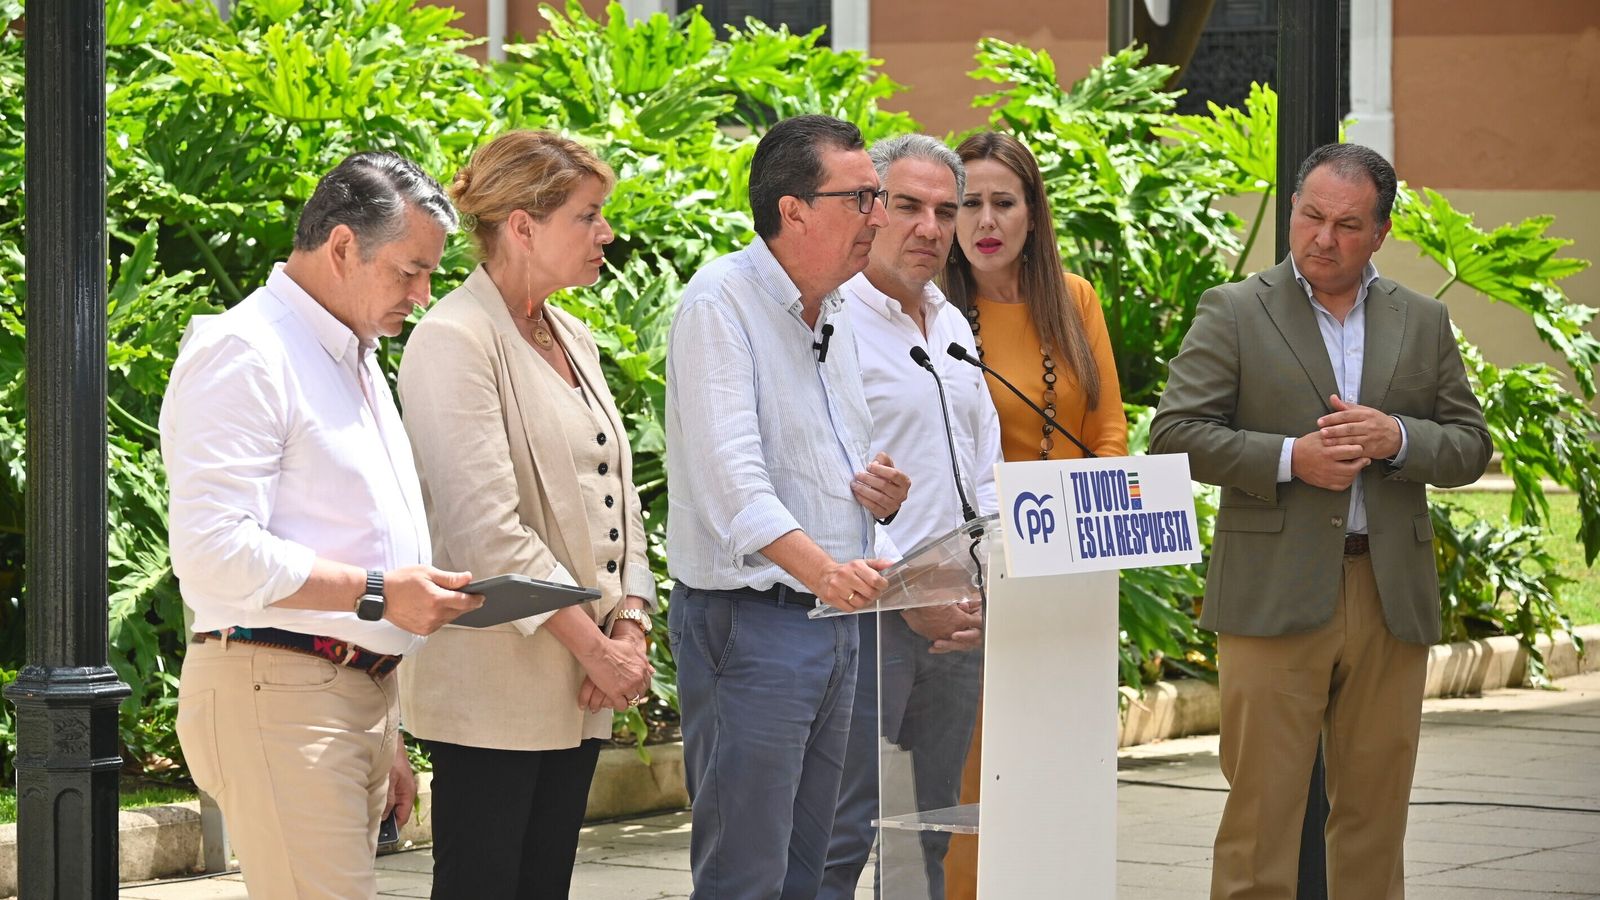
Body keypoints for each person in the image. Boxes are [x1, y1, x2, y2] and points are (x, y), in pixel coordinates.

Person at [1150, 143, 1492, 899]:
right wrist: (1288, 459)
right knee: (1261, 815)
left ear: (1381, 230)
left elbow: (1470, 445)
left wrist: (1397, 437)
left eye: (1346, 223)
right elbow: (1175, 433)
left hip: (1388, 593)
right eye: (1310, 216)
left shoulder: (1424, 320)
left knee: (1376, 814)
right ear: (1294, 210)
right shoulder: (1235, 309)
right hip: (1273, 593)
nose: (1323, 239)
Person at [161, 151, 483, 899]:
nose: (424, 294)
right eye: (410, 271)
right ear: (342, 246)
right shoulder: (247, 351)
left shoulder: (354, 353)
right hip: (277, 690)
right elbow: (211, 552)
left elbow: (353, 530)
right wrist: (377, 593)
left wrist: (384, 724)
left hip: (341, 693)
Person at [395, 130, 655, 899]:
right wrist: (596, 649)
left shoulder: (573, 334)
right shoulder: (453, 338)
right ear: (522, 226)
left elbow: (623, 492)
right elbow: (486, 529)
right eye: (589, 214)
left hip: (579, 680)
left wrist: (632, 621)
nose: (606, 233)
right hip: (495, 687)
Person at [665, 113, 913, 900]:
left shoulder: (832, 308)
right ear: (793, 209)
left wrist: (877, 494)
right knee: (748, 874)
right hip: (755, 624)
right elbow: (733, 486)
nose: (880, 216)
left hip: (829, 620)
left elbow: (821, 460)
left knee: (814, 870)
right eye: (863, 197)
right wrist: (826, 570)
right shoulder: (721, 305)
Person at [940, 131, 1129, 898]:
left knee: (1057, 763)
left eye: (1003, 203)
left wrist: (1095, 513)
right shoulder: (936, 313)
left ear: (1032, 214)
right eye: (969, 203)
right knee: (977, 767)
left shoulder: (1074, 299)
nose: (986, 220)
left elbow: (1109, 429)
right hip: (976, 574)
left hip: (1070, 567)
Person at [818, 134, 998, 900]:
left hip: (959, 619)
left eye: (945, 211)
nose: (930, 227)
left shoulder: (953, 323)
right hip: (872, 616)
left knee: (928, 827)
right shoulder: (831, 321)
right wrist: (914, 590)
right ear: (870, 207)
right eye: (908, 206)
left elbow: (985, 470)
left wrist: (987, 585)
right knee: (843, 825)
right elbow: (829, 482)